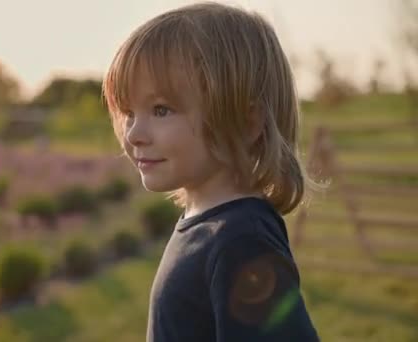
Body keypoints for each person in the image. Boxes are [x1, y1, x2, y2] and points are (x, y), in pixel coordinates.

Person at [102, 2, 321, 341]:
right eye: (130, 112)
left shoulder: (242, 241)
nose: (133, 134)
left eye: (161, 110)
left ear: (247, 123)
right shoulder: (209, 222)